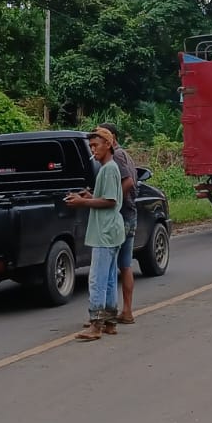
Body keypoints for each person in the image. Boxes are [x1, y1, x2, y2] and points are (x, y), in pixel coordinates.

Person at [65, 129, 125, 340]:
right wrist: (91, 196)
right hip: (112, 231)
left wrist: (83, 202)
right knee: (108, 279)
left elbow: (110, 201)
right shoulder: (109, 169)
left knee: (97, 279)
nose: (93, 150)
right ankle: (110, 322)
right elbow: (107, 197)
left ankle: (95, 324)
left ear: (108, 144)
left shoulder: (108, 169)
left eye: (96, 145)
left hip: (104, 232)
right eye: (91, 146)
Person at [96, 122, 139, 325]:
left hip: (122, 215)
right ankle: (125, 312)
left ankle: (107, 313)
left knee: (113, 266)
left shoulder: (117, 157)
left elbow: (128, 181)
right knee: (124, 265)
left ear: (110, 139)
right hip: (130, 214)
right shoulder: (126, 155)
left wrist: (114, 199)